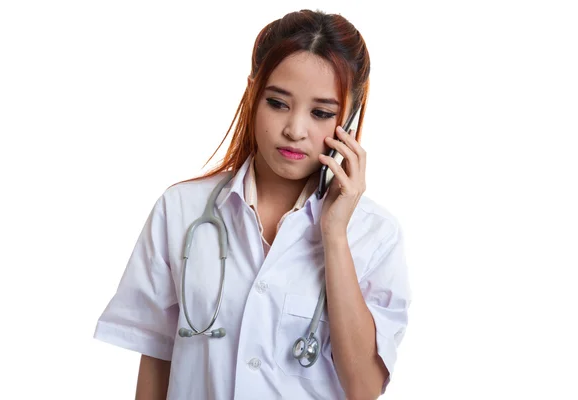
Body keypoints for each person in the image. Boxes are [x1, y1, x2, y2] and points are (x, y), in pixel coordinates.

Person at [94, 8, 412, 400]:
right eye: (278, 103)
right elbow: (157, 359)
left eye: (321, 113)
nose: (295, 129)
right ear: (252, 96)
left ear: (348, 121)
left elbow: (364, 388)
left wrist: (334, 236)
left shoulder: (374, 235)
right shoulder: (180, 212)